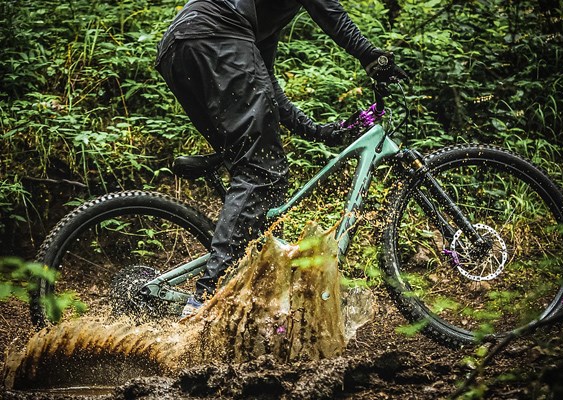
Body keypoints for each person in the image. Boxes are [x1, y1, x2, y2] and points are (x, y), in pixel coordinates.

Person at [155, 0, 408, 317]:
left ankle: (242, 290)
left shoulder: (261, 19)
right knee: (260, 172)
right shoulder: (239, 20)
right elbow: (329, 12)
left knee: (251, 170)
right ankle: (206, 298)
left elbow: (267, 85)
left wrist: (317, 131)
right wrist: (370, 56)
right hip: (216, 38)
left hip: (179, 49)